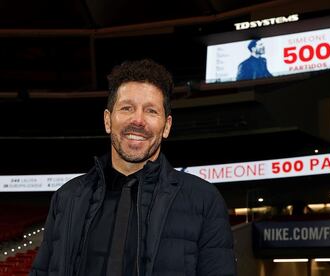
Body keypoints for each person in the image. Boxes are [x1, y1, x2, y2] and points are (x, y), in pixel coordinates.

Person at [30, 59, 237, 276]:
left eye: (151, 111)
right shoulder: (67, 197)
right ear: (108, 120)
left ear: (166, 126)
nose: (138, 120)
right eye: (127, 108)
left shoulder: (204, 200)